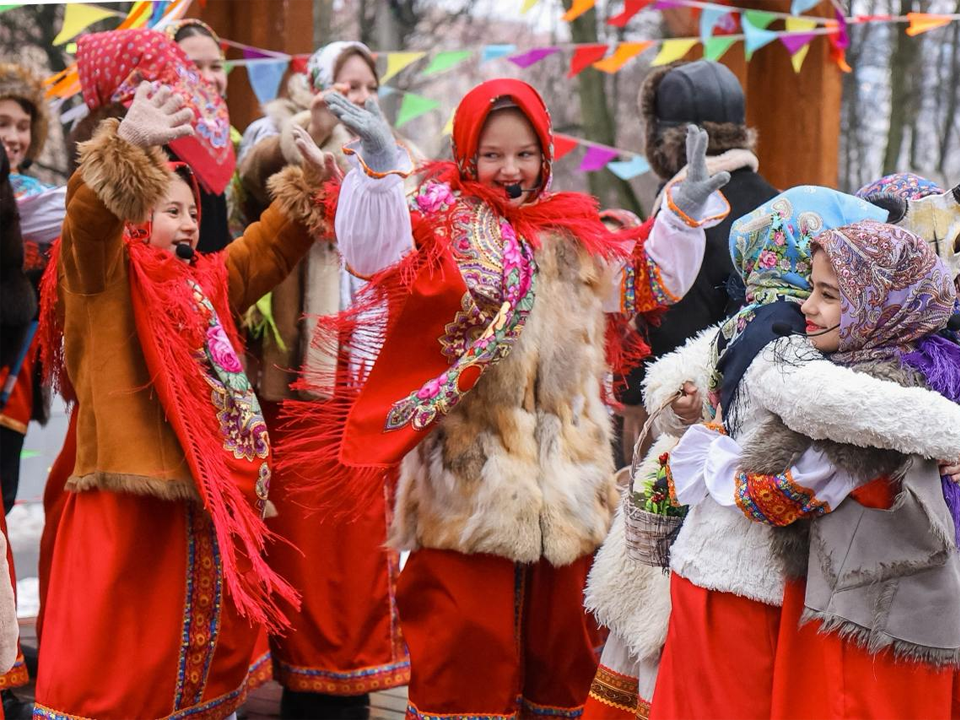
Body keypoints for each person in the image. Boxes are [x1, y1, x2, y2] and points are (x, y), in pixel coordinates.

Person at [278, 77, 729, 716]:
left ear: (546, 156)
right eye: (493, 154)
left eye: (525, 154)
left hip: (571, 488)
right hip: (467, 487)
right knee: (464, 657)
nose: (510, 170)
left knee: (568, 665)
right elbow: (373, 253)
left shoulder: (574, 235)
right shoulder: (438, 222)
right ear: (466, 154)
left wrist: (679, 215)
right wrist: (378, 172)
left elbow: (646, 282)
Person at [32, 75, 335, 719]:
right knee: (120, 664)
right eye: (171, 210)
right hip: (127, 502)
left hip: (202, 496)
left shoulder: (204, 282)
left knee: (188, 667)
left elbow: (263, 252)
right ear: (134, 213)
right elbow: (87, 222)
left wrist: (308, 188)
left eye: (194, 212)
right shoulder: (102, 275)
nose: (189, 222)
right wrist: (127, 148)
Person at [635, 189, 960, 720]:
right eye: (812, 287)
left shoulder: (863, 358)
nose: (809, 304)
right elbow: (840, 411)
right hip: (760, 582)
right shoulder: (784, 345)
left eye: (829, 293)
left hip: (836, 607)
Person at [238, 41, 416, 718]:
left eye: (368, 84)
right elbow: (253, 180)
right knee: (307, 543)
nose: (359, 95)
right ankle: (305, 677)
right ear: (314, 86)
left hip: (370, 372)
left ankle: (356, 673)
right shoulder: (278, 132)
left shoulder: (396, 154)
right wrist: (312, 130)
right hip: (302, 381)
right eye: (345, 83)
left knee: (363, 544)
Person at [616, 60, 779, 462]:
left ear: (665, 140)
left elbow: (664, 314)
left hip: (690, 424)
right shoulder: (779, 202)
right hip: (768, 413)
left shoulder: (684, 215)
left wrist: (637, 392)